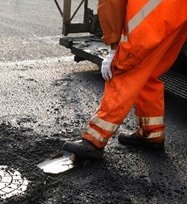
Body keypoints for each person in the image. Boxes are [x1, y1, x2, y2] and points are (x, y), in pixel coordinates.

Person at [63, 0, 187, 159]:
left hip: (153, 10)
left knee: (124, 68)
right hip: (177, 10)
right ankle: (151, 133)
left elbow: (111, 2)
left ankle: (94, 140)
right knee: (148, 73)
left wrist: (114, 49)